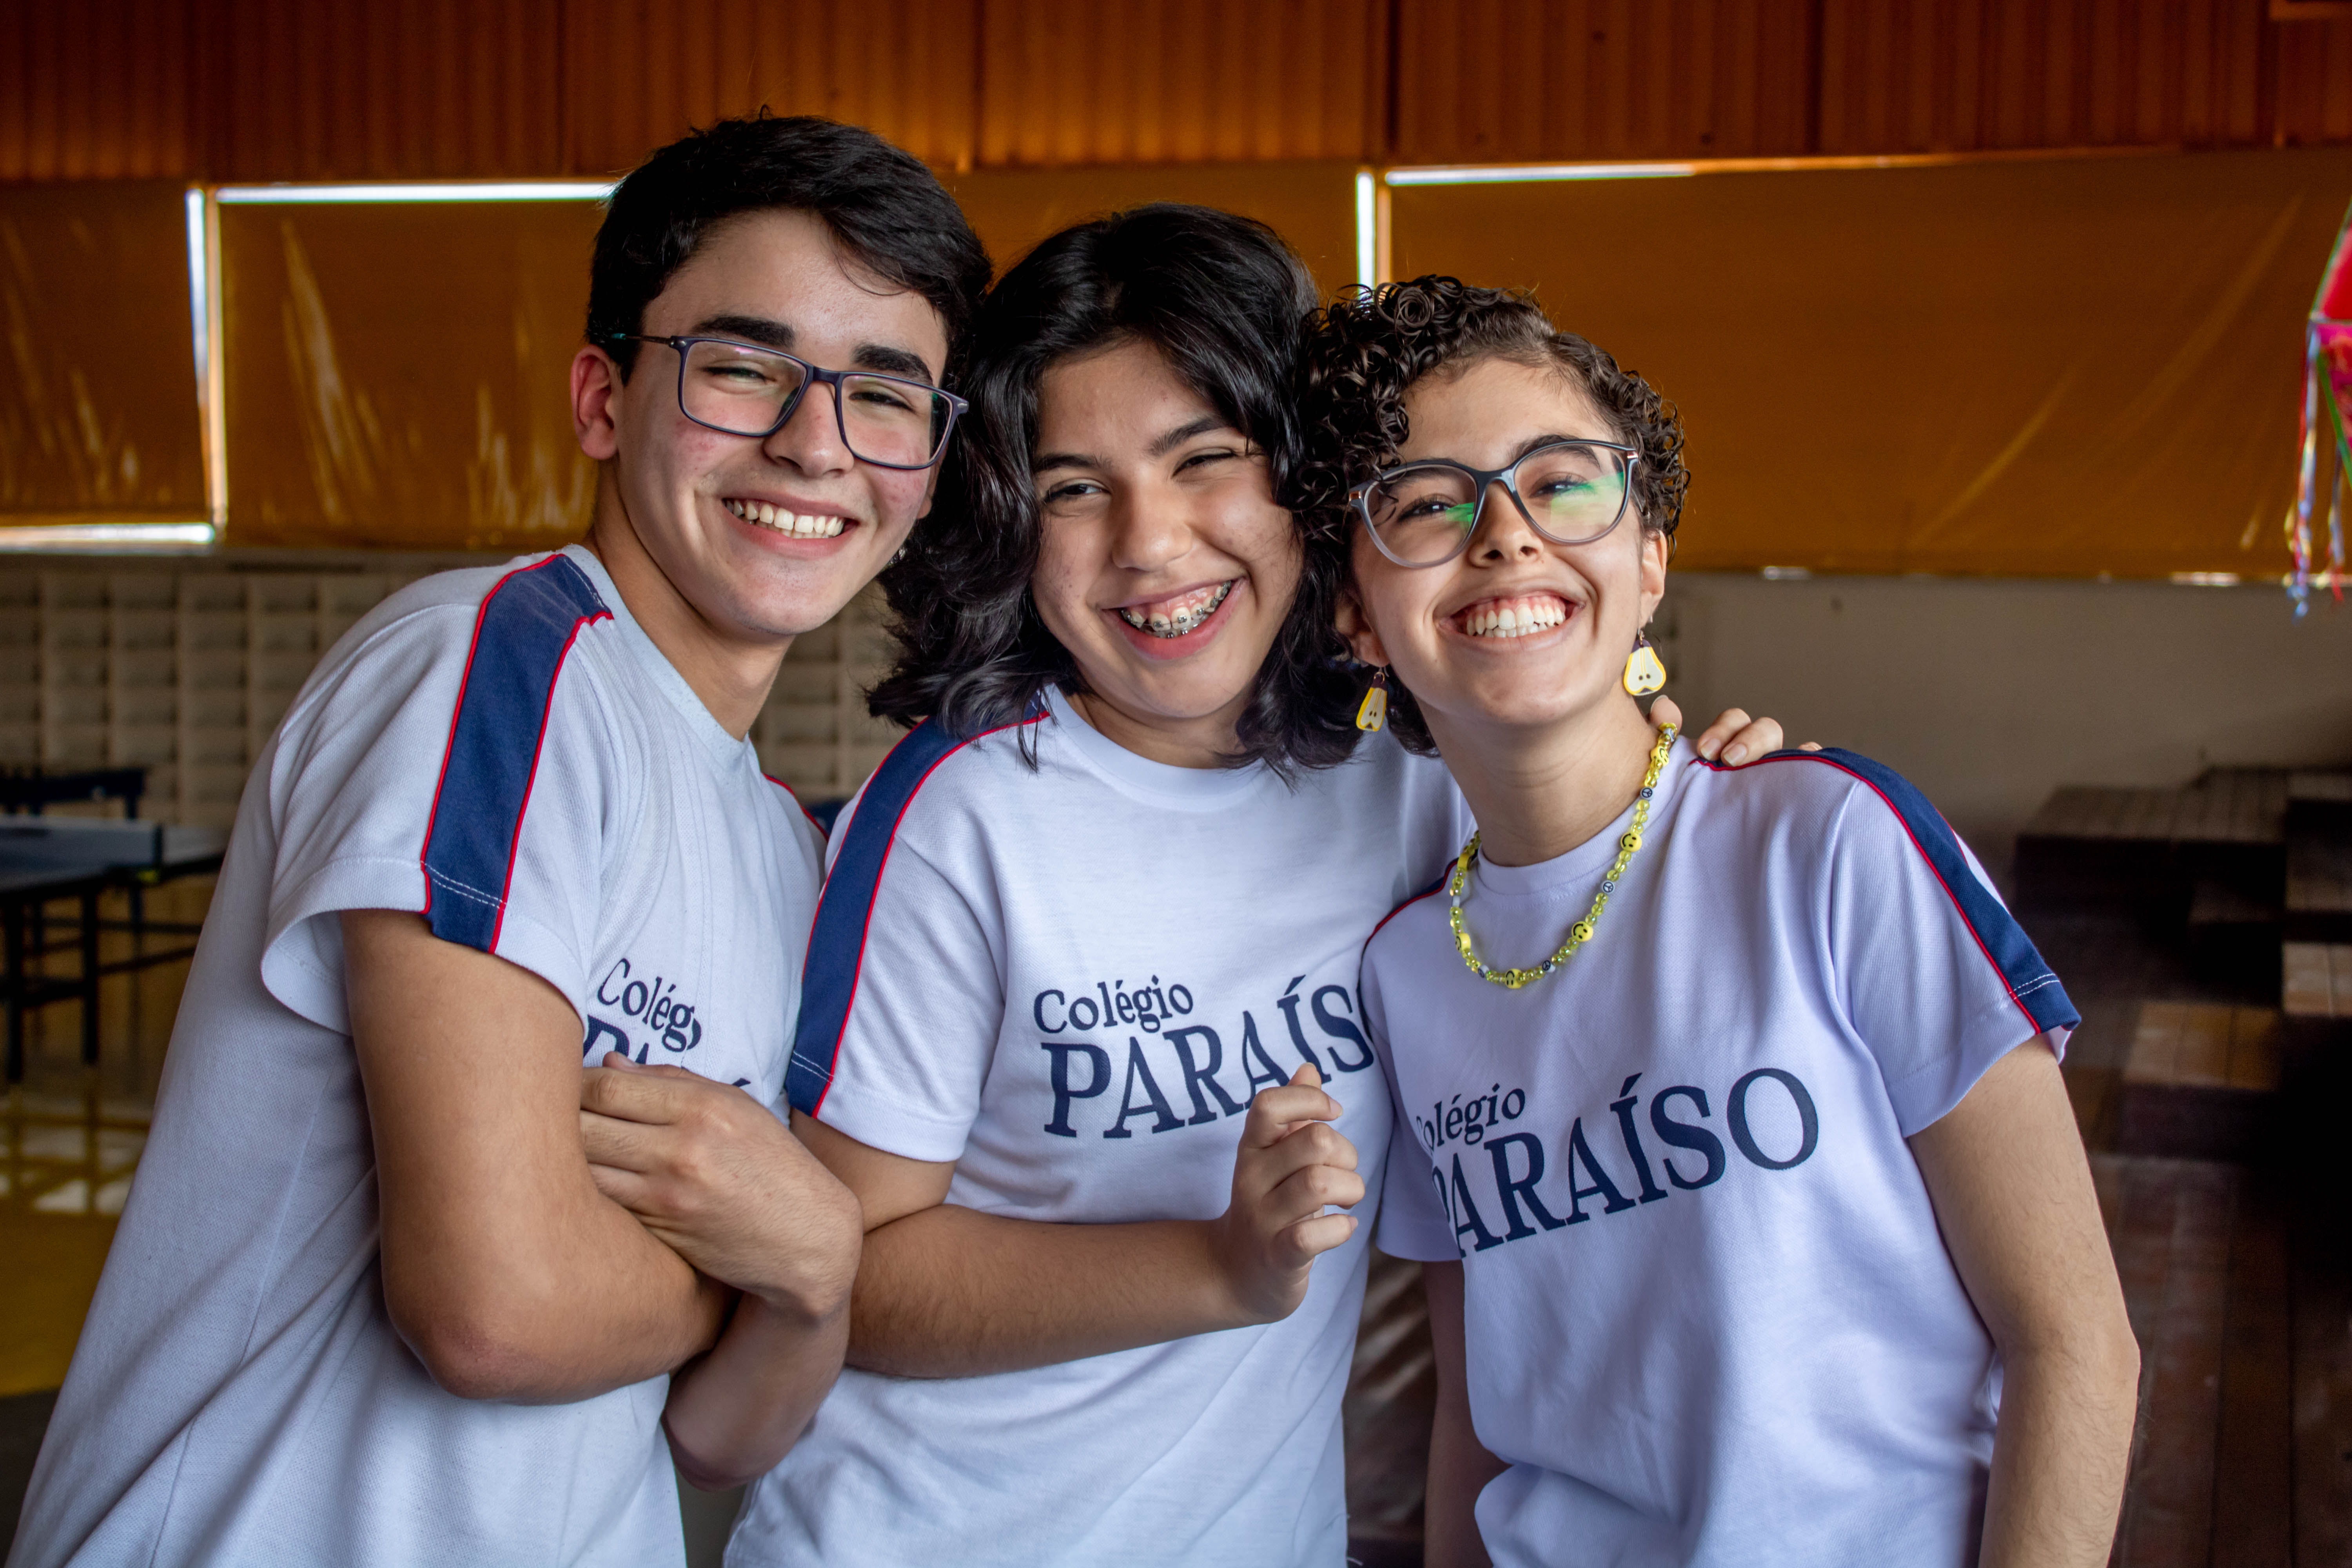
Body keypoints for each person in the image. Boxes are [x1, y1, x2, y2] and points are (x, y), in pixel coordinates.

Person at [593, 205, 1784, 1567]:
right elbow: (847, 1274)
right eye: (1074, 488)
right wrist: (1216, 1267)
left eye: (1204, 461)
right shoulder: (960, 819)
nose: (1150, 546)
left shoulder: (1413, 789)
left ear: (1305, 484)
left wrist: (1707, 778)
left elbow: (1604, 838)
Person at [8, 115, 989, 1568]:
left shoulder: (785, 853)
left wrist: (803, 1285)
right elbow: (494, 1307)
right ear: (603, 396)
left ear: (925, 466)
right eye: (740, 369)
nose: (813, 444)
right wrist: (802, 1262)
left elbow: (722, 1435)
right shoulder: (495, 665)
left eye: (883, 398)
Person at [1294, 277, 2142, 1568]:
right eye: (1425, 503)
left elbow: (2075, 1342)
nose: (1506, 535)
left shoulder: (1831, 843)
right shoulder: (1407, 974)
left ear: (1649, 558)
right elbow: (1477, 1416)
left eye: (1562, 481)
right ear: (1358, 614)